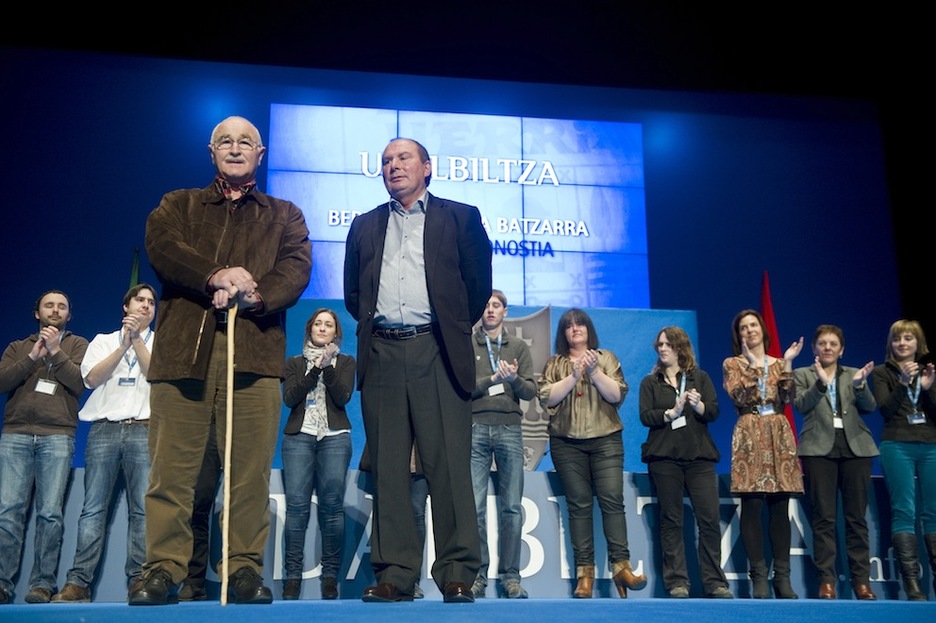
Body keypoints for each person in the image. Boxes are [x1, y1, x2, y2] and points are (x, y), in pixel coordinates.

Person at [129, 115, 311, 606]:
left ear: (261, 153)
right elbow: (163, 249)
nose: (235, 148)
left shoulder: (285, 214)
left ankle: (244, 570)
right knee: (171, 472)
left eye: (245, 142)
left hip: (253, 356)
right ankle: (163, 571)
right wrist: (216, 275)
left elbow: (296, 268)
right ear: (211, 152)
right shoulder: (178, 204)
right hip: (183, 356)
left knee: (249, 474)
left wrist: (255, 295)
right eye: (225, 141)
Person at [343, 137, 492, 603]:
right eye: (386, 161)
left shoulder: (461, 217)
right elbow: (354, 294)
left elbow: (476, 286)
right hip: (383, 355)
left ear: (428, 167)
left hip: (437, 352)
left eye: (403, 158)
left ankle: (457, 572)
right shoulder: (365, 225)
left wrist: (444, 330)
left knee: (447, 466)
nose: (393, 166)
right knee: (388, 469)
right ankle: (395, 574)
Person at [52, 284, 157, 603]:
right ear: (126, 307)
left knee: (142, 511)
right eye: (139, 300)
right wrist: (124, 345)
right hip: (104, 431)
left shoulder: (160, 341)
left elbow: (155, 374)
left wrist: (137, 340)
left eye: (151, 302)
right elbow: (92, 379)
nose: (146, 306)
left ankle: (139, 580)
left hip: (144, 429)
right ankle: (78, 583)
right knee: (93, 509)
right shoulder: (102, 340)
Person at [537, 308, 646, 599]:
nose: (575, 329)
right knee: (579, 506)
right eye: (569, 326)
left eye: (580, 324)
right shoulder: (555, 363)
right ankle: (584, 575)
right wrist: (574, 376)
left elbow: (616, 395)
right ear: (563, 333)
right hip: (566, 443)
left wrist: (594, 371)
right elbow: (547, 397)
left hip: (606, 440)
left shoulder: (606, 358)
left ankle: (621, 567)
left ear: (588, 329)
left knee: (612, 500)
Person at [0, 290, 88, 605]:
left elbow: (80, 382)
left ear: (69, 315)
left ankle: (42, 585)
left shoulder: (78, 346)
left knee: (50, 514)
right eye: (49, 305)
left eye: (62, 306)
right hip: (16, 434)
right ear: (37, 313)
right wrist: (33, 357)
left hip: (58, 435)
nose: (55, 310)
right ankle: (2, 584)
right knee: (9, 512)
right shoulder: (18, 347)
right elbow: (2, 382)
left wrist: (55, 351)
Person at [638, 326, 732, 599]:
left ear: (681, 348)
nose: (663, 349)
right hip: (664, 458)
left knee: (709, 520)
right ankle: (677, 582)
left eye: (668, 344)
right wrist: (672, 412)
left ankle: (715, 582)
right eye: (660, 345)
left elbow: (713, 411)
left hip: (699, 457)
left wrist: (698, 406)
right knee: (671, 520)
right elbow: (645, 416)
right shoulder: (650, 382)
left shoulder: (699, 378)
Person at [722, 309, 804, 599]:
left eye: (753, 325)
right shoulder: (733, 363)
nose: (749, 330)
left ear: (762, 330)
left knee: (780, 507)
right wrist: (755, 365)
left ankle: (782, 577)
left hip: (778, 432)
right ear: (739, 335)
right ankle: (758, 576)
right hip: (749, 431)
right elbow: (738, 396)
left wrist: (790, 364)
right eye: (743, 327)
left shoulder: (781, 363)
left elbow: (788, 398)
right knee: (752, 505)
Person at [793, 325, 878, 601]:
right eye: (822, 343)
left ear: (841, 350)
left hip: (856, 448)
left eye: (833, 344)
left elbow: (870, 406)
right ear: (814, 349)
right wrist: (819, 383)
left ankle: (862, 582)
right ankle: (826, 582)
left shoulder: (854, 374)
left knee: (856, 519)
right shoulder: (802, 374)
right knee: (824, 518)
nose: (827, 347)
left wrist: (861, 386)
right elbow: (801, 405)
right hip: (818, 450)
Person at [281, 308, 355, 600]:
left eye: (329, 325)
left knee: (332, 507)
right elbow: (290, 398)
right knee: (297, 509)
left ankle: (329, 577)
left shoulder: (346, 362)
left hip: (335, 438)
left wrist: (328, 366)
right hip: (299, 437)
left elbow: (342, 396)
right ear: (310, 329)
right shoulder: (294, 363)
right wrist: (314, 369)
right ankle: (292, 578)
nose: (323, 329)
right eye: (318, 324)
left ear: (336, 332)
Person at [469, 289, 535, 599]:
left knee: (511, 507)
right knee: (475, 507)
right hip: (475, 426)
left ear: (505, 312)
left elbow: (530, 392)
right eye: (486, 305)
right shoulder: (468, 343)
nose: (490, 310)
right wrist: (493, 380)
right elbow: (464, 386)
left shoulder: (518, 346)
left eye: (496, 305)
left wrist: (513, 380)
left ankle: (511, 577)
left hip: (509, 428)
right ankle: (477, 575)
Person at [870, 319, 936, 601]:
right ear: (891, 344)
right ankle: (912, 584)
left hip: (930, 444)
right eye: (897, 339)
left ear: (917, 343)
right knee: (904, 510)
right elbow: (885, 409)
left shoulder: (930, 370)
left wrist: (929, 387)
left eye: (908, 338)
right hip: (897, 444)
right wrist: (904, 383)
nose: (902, 343)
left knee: (933, 512)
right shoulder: (881, 373)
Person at [177, 424, 222, 601]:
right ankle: (195, 583)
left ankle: (241, 574)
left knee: (242, 508)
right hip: (207, 425)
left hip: (240, 420)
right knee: (199, 505)